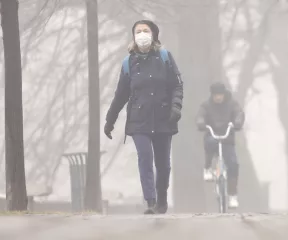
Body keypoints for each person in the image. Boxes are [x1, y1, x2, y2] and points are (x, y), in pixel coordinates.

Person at [104, 19, 183, 215]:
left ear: (153, 34)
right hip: (139, 120)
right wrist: (110, 120)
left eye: (145, 30)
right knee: (145, 157)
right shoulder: (128, 62)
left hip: (164, 118)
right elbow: (121, 94)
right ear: (133, 36)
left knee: (163, 164)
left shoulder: (165, 57)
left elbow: (177, 85)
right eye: (138, 31)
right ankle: (150, 201)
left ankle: (162, 200)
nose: (141, 34)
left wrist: (176, 106)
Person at [196, 82, 244, 209]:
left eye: (220, 95)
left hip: (227, 138)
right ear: (212, 95)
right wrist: (201, 123)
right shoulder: (206, 105)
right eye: (216, 95)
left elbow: (239, 113)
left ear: (224, 94)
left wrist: (237, 122)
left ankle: (232, 195)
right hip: (212, 135)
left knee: (233, 164)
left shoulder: (232, 104)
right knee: (210, 144)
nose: (218, 97)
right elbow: (200, 115)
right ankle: (207, 168)